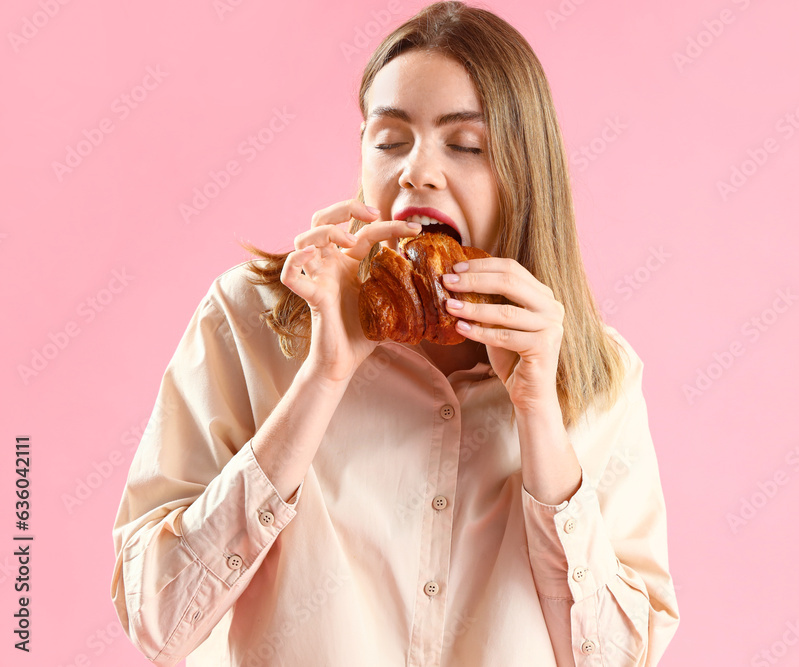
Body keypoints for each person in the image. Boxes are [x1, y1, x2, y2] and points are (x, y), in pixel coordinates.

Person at [109, 2, 680, 665]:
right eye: (390, 139)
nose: (417, 171)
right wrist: (323, 376)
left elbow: (613, 659)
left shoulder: (597, 373)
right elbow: (159, 620)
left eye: (465, 145)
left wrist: (538, 415)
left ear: (526, 175)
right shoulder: (250, 321)